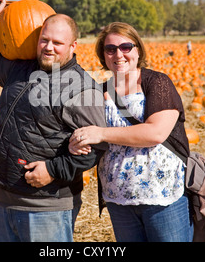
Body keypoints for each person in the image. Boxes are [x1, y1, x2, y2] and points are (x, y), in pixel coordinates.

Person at [0, 0, 107, 242]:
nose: (48, 47)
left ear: (73, 46)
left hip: (47, 206)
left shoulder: (81, 89)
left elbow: (98, 146)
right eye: (44, 40)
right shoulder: (20, 70)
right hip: (4, 198)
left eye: (57, 42)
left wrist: (52, 170)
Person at [68, 22, 193, 242]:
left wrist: (102, 134)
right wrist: (77, 142)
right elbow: (88, 133)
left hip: (161, 195)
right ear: (103, 55)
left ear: (138, 50)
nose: (119, 54)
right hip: (118, 197)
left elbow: (155, 133)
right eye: (110, 49)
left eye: (126, 47)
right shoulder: (101, 90)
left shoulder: (157, 82)